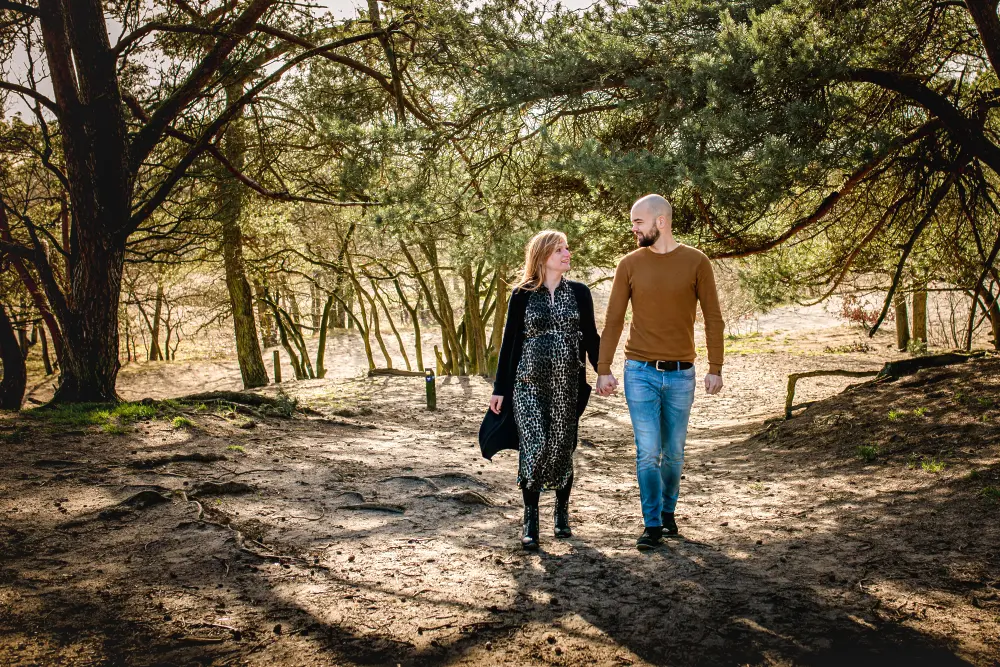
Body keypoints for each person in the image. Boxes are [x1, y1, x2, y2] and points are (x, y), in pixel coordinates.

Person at [596, 194, 725, 551]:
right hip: (639, 371)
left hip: (682, 373)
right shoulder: (629, 264)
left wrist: (716, 366)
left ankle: (668, 513)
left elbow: (713, 317)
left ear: (661, 222)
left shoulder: (697, 262)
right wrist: (603, 368)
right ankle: (651, 524)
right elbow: (614, 320)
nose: (633, 229)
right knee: (648, 451)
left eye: (638, 222)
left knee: (674, 452)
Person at [482, 230, 600, 550]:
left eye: (567, 248)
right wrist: (499, 389)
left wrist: (604, 372)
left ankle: (561, 512)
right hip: (527, 384)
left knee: (562, 448)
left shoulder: (580, 292)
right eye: (560, 249)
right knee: (535, 446)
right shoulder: (522, 294)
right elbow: (509, 345)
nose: (567, 253)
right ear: (544, 255)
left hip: (567, 385)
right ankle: (531, 517)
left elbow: (590, 337)